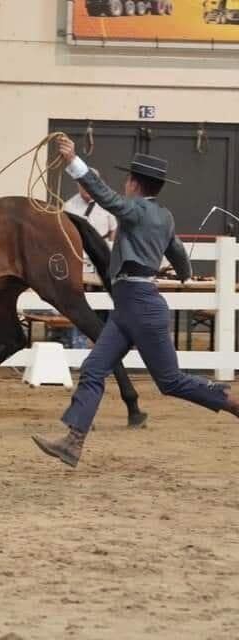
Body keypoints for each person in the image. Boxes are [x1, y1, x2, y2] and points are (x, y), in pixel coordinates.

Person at [32, 135, 239, 468]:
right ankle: (73, 442)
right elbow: (178, 255)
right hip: (129, 306)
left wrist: (73, 162)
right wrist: (185, 273)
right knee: (94, 368)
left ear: (133, 184)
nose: (124, 185)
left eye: (127, 180)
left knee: (170, 381)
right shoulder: (165, 216)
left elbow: (103, 195)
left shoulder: (135, 209)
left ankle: (230, 403)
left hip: (138, 306)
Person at [64, 168, 117, 348]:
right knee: (79, 304)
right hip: (78, 261)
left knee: (105, 305)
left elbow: (114, 233)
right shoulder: (69, 206)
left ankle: (104, 346)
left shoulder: (108, 205)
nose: (85, 187)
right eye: (81, 183)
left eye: (88, 183)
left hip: (100, 261)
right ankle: (77, 346)